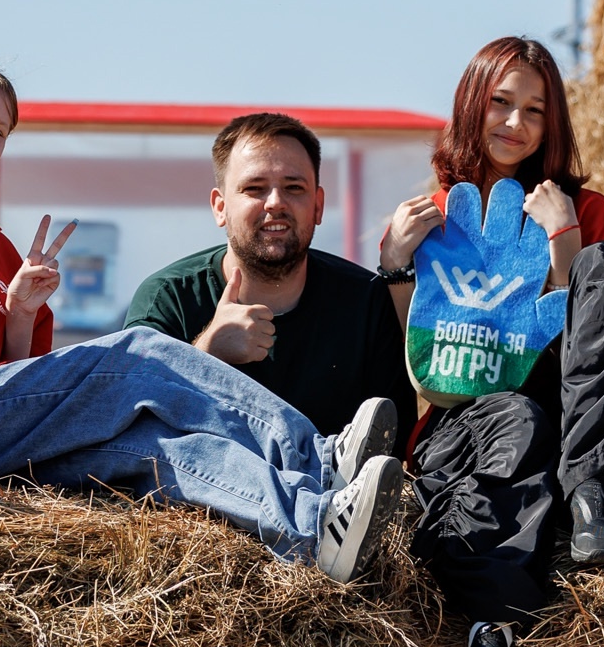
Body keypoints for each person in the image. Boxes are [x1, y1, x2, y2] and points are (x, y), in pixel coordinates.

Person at [0, 62, 407, 582]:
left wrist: (20, 316)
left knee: (158, 450)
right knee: (135, 353)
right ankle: (317, 456)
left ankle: (311, 527)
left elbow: (18, 385)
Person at [379, 37, 604, 647]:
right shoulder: (435, 213)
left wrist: (565, 239)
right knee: (514, 415)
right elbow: (420, 357)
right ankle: (494, 631)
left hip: (580, 418)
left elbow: (594, 339)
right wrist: (399, 265)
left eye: (534, 110)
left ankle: (589, 490)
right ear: (471, 106)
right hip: (473, 416)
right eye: (500, 103)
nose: (514, 124)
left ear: (554, 124)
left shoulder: (585, 209)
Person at [122, 111, 416, 443]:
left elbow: (398, 442)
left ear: (318, 206)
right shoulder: (168, 298)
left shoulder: (366, 302)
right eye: (255, 188)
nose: (275, 203)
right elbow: (125, 424)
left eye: (294, 187)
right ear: (220, 207)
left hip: (333, 493)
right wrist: (205, 355)